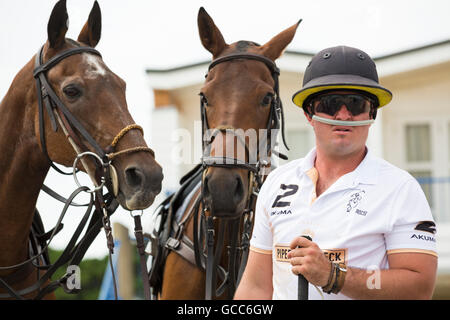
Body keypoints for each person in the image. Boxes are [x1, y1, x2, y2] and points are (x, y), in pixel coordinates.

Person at [234, 45, 438, 300]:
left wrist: (334, 276)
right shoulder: (276, 183)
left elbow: (419, 288)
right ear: (309, 113)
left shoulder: (401, 188)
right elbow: (256, 288)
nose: (343, 115)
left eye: (355, 104)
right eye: (330, 105)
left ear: (371, 113)